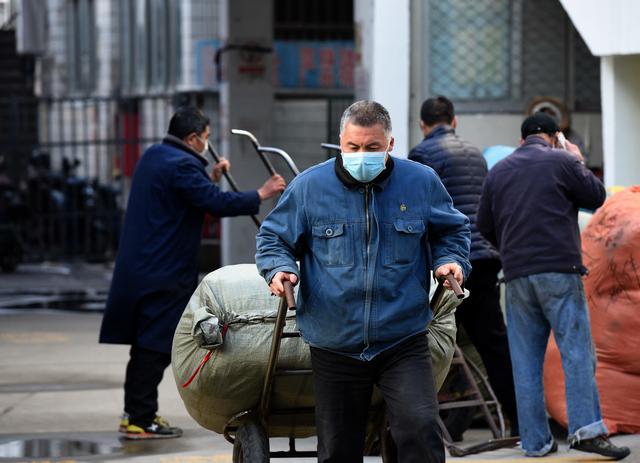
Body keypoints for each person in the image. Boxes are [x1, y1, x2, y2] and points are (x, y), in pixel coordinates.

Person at [256, 100, 471, 462]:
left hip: (401, 337)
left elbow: (452, 230)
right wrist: (278, 268)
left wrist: (450, 260)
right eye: (353, 147)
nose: (361, 155)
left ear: (390, 144)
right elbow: (273, 237)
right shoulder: (310, 187)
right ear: (340, 141)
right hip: (334, 340)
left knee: (420, 429)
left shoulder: (420, 182)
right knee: (339, 448)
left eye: (372, 148)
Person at [99, 106, 286, 440]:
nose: (206, 145)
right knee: (155, 345)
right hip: (163, 271)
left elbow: (189, 197)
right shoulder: (182, 164)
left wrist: (209, 179)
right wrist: (262, 193)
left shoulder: (157, 156)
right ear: (192, 138)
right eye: (206, 139)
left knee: (146, 344)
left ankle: (137, 414)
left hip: (144, 266)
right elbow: (215, 203)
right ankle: (139, 418)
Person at [477, 112, 630, 460]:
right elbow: (597, 197)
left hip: (516, 276)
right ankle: (586, 431)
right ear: (555, 136)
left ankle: (535, 442)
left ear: (521, 140)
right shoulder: (562, 160)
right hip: (559, 271)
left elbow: (484, 225)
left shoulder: (498, 171)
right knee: (576, 353)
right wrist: (576, 157)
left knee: (525, 360)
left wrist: (511, 250)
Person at [408, 96, 519, 437]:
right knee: (493, 344)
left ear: (423, 125)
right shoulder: (476, 154)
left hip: (449, 264)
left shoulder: (422, 155)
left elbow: (418, 212)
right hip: (484, 257)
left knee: (428, 339)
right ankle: (518, 421)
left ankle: (424, 420)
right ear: (454, 121)